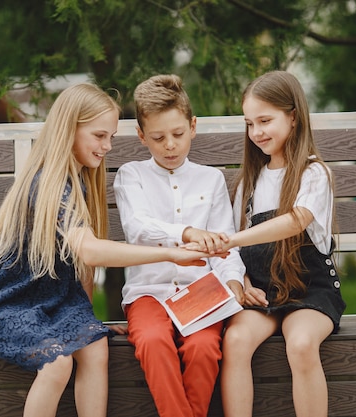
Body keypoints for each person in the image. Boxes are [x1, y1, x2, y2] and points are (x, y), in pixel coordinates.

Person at [0, 82, 226, 417]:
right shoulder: (49, 184)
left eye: (111, 136)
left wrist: (86, 317)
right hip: (3, 300)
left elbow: (80, 267)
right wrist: (170, 252)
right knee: (57, 362)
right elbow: (90, 252)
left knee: (96, 345)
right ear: (70, 129)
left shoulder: (81, 178)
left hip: (50, 298)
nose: (107, 146)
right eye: (99, 136)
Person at [113, 74, 246, 417]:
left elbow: (225, 244)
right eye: (158, 137)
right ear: (141, 136)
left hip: (201, 292)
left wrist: (233, 280)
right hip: (148, 292)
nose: (169, 145)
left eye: (177, 134)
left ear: (193, 126)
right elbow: (137, 226)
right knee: (153, 341)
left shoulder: (211, 179)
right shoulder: (131, 175)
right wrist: (185, 232)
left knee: (203, 347)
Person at [219, 71, 347, 417]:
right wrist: (243, 283)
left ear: (293, 116)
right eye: (249, 123)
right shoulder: (248, 181)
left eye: (265, 120)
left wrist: (234, 238)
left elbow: (296, 221)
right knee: (235, 341)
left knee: (302, 343)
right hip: (262, 292)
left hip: (310, 291)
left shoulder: (314, 173)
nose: (256, 132)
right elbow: (234, 254)